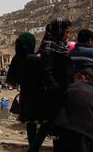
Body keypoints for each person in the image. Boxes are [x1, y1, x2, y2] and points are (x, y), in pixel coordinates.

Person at [33, 18, 72, 152]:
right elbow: (46, 72)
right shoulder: (49, 47)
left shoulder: (61, 46)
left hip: (62, 92)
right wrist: (56, 89)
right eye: (66, 32)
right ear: (59, 31)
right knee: (52, 128)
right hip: (55, 95)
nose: (68, 35)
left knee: (53, 129)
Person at [6, 32, 48, 151]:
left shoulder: (16, 59)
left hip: (25, 95)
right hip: (38, 96)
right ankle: (34, 149)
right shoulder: (35, 59)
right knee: (45, 122)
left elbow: (11, 79)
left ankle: (32, 146)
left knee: (30, 123)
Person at [53, 68, 93, 152]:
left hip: (61, 130)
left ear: (82, 78)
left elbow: (56, 107)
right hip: (85, 134)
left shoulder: (70, 87)